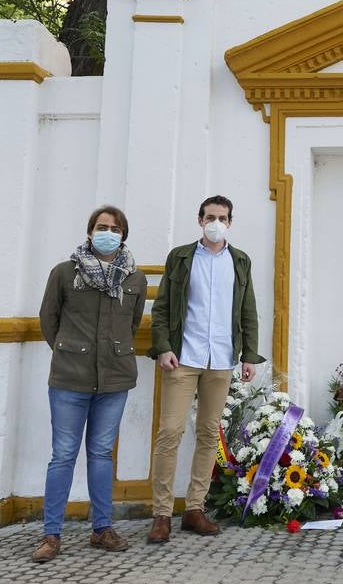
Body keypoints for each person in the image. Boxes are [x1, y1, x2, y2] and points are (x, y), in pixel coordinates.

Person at [32, 205, 147, 563]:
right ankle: (51, 535)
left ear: (123, 234)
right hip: (70, 378)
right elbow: (48, 319)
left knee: (100, 455)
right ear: (89, 231)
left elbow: (132, 324)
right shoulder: (65, 273)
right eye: (101, 226)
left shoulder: (135, 279)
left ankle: (102, 529)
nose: (107, 232)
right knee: (63, 455)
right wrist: (71, 352)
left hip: (114, 379)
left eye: (114, 227)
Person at [146, 195, 264, 543]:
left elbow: (248, 310)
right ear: (199, 220)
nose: (216, 222)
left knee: (209, 433)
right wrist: (164, 347)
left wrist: (249, 355)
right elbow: (163, 305)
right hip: (184, 357)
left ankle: (194, 509)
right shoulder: (181, 257)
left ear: (230, 222)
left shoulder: (240, 261)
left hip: (222, 359)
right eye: (210, 216)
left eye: (222, 217)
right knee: (170, 433)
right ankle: (162, 515)